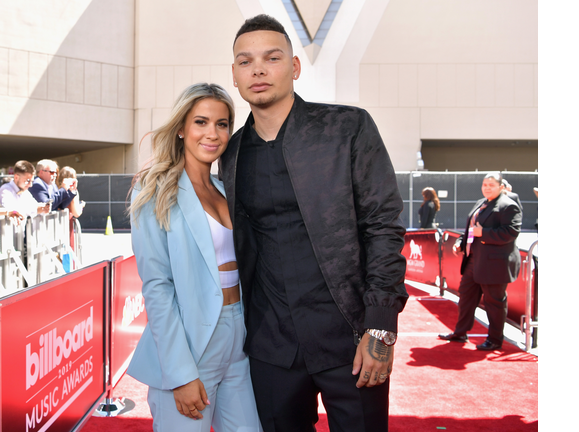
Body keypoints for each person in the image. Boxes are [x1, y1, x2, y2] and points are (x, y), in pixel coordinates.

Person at [219, 15, 408, 431]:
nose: (259, 70)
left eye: (272, 57)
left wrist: (380, 326)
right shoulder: (230, 154)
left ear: (295, 67)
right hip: (271, 346)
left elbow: (383, 226)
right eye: (245, 61)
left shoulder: (347, 127)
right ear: (234, 75)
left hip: (351, 336)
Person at [125, 83, 262, 432]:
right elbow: (157, 287)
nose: (212, 134)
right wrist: (180, 374)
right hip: (190, 345)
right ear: (182, 128)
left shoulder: (226, 189)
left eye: (222, 124)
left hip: (238, 338)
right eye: (201, 122)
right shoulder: (154, 189)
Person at [439, 172, 522, 351]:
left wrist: (483, 234)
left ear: (501, 187)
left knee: (494, 303)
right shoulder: (481, 203)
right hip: (473, 261)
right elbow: (471, 229)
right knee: (466, 297)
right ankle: (460, 332)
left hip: (494, 265)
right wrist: (461, 242)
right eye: (484, 184)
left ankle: (495, 339)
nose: (486, 188)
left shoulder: (508, 206)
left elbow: (511, 232)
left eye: (491, 185)